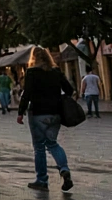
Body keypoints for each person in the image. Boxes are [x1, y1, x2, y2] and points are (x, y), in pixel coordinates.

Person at [17, 47, 75, 191]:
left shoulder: (31, 72)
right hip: (56, 113)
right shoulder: (56, 71)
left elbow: (27, 94)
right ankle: (64, 169)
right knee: (52, 144)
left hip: (38, 113)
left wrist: (20, 112)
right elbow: (69, 90)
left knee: (39, 148)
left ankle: (42, 180)